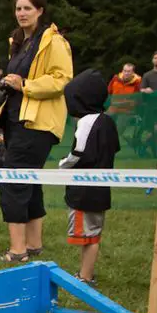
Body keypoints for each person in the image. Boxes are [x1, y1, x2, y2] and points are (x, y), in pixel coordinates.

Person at [0, 0, 72, 262]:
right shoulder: (18, 42)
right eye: (18, 9)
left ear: (40, 11)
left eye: (27, 8)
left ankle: (17, 250)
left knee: (13, 180)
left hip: (37, 123)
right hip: (16, 120)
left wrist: (25, 85)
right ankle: (34, 245)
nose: (22, 13)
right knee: (30, 180)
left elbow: (62, 80)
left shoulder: (53, 42)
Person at [58, 69, 120, 285]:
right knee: (93, 232)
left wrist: (62, 165)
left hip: (83, 189)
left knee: (88, 235)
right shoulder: (108, 121)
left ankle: (85, 276)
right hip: (102, 187)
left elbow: (78, 153)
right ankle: (86, 274)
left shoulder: (86, 122)